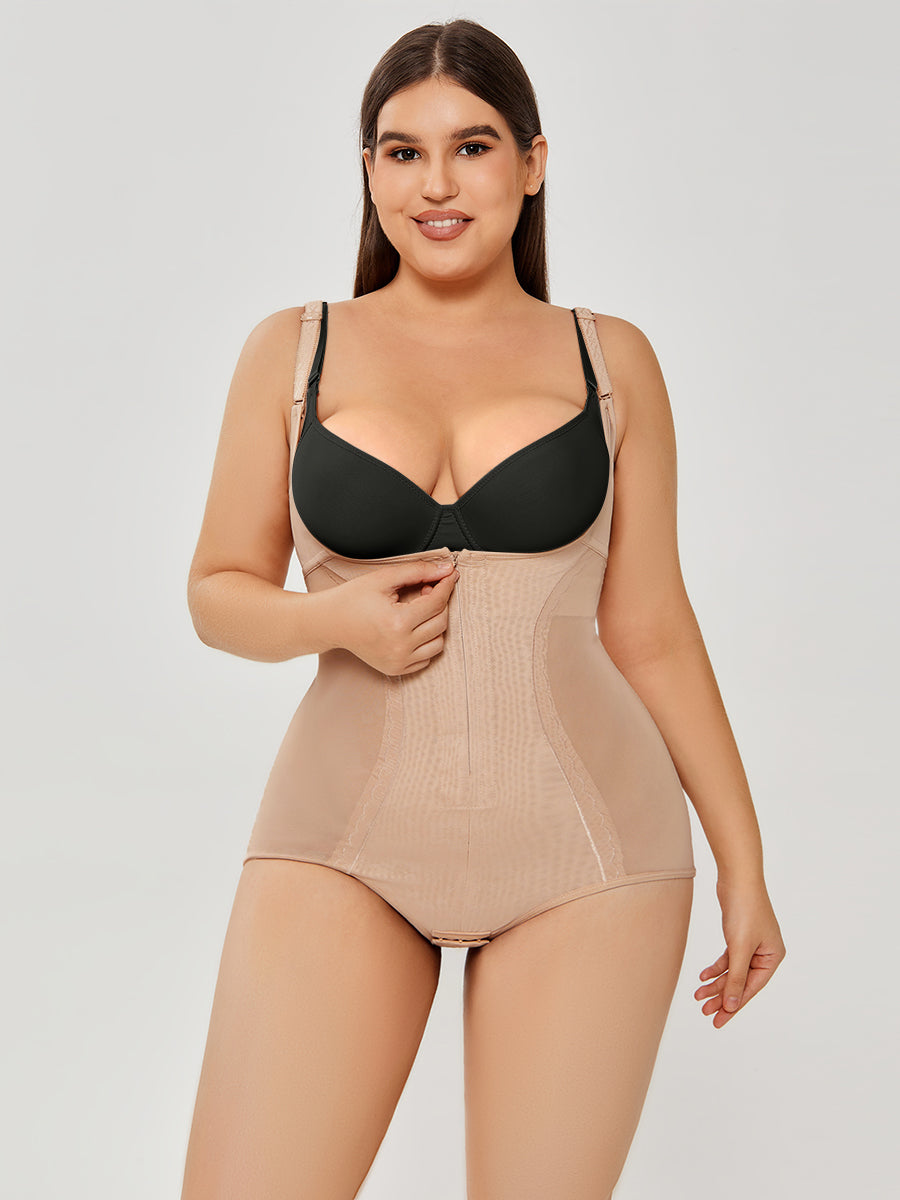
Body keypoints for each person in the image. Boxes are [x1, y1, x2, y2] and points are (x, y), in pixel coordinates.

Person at [180, 17, 786, 1200]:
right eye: (402, 152)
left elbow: (653, 630)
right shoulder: (293, 351)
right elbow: (217, 592)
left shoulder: (611, 359)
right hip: (342, 846)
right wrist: (334, 621)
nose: (437, 184)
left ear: (533, 162)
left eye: (472, 146)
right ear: (368, 172)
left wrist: (743, 862)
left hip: (591, 855)